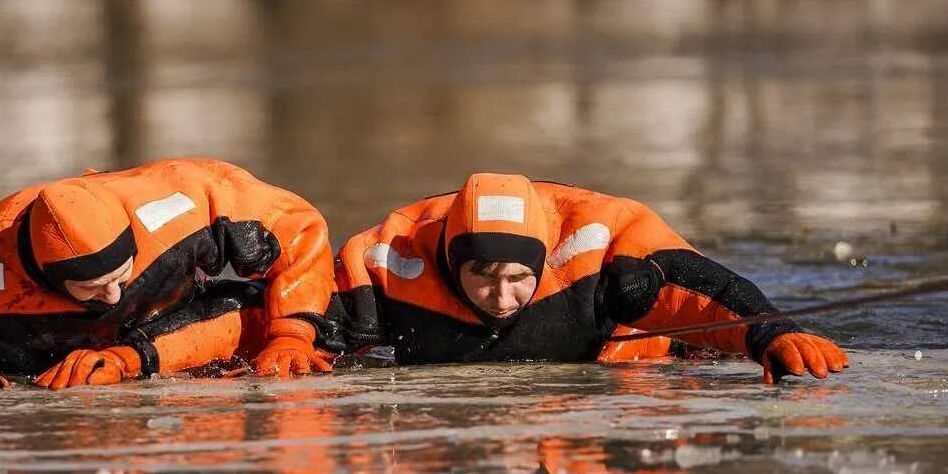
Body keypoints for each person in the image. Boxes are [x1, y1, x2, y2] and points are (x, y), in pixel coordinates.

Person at [0, 158, 335, 393]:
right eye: (94, 289)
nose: (114, 293)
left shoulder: (185, 205)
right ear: (51, 280)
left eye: (122, 276)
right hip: (39, 335)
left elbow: (299, 231)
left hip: (168, 316)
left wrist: (292, 336)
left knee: (269, 315)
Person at [327, 173, 848, 384]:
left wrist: (771, 332)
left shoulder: (604, 240)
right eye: (481, 276)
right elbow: (309, 319)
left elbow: (706, 292)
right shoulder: (387, 258)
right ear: (448, 260)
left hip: (627, 363)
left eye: (517, 278)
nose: (501, 296)